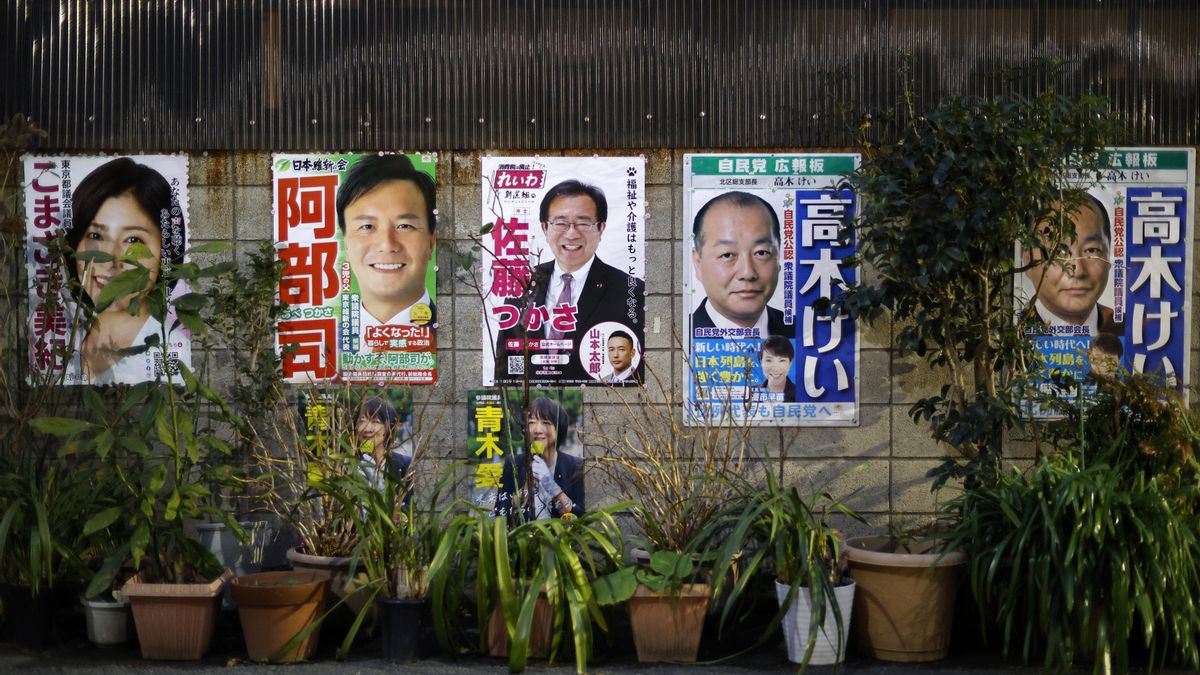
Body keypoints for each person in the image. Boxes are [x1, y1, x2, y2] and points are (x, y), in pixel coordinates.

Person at [494, 180, 645, 383]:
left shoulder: (630, 290)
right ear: (545, 228)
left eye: (583, 223)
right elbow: (505, 368)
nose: (572, 233)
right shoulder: (521, 283)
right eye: (561, 223)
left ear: (601, 229)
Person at [65, 157, 190, 385]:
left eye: (133, 240)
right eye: (95, 235)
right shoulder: (58, 343)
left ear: (166, 253)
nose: (111, 259)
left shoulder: (172, 351)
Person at [336, 155, 437, 349]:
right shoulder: (326, 346)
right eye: (367, 226)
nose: (387, 244)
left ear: (431, 242)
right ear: (346, 244)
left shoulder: (451, 335)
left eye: (405, 226)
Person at [1024, 195, 1123, 338]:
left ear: (1109, 255)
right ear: (1027, 259)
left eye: (1091, 250)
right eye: (1058, 252)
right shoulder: (1014, 338)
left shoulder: (1134, 331)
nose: (1078, 271)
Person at [691, 191, 787, 337]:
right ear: (698, 263)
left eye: (761, 253)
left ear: (778, 257)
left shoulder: (806, 333)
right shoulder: (680, 334)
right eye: (727, 255)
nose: (747, 273)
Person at [495, 397, 585, 521]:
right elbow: (500, 512)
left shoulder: (575, 466)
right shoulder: (514, 463)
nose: (537, 430)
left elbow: (581, 516)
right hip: (524, 538)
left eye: (546, 423)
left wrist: (552, 487)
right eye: (531, 422)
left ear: (559, 428)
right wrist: (525, 489)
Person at [354, 396, 413, 499]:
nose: (367, 428)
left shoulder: (404, 465)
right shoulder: (346, 465)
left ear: (389, 428)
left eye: (375, 421)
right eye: (362, 421)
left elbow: (409, 507)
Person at [756, 335, 796, 402]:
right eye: (769, 360)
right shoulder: (750, 393)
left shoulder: (801, 394)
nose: (775, 368)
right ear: (761, 362)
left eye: (782, 360)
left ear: (790, 363)